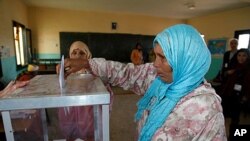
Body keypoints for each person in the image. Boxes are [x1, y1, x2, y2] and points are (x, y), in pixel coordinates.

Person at [61, 24, 227, 140]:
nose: (155, 64)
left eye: (163, 58)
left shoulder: (207, 109)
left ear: (186, 61)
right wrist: (87, 63)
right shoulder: (157, 78)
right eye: (156, 56)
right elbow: (126, 72)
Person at [56, 41, 114, 141]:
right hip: (70, 118)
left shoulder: (96, 74)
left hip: (89, 119)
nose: (77, 56)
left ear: (88, 56)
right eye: (74, 53)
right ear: (69, 56)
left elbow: (107, 95)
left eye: (82, 53)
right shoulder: (65, 76)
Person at [220, 49, 250, 140]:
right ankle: (220, 134)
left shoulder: (248, 67)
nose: (241, 58)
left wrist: (246, 96)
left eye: (244, 55)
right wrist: (227, 73)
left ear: (248, 57)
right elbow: (223, 76)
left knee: (235, 118)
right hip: (228, 94)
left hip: (240, 96)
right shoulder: (233, 65)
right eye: (239, 55)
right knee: (222, 116)